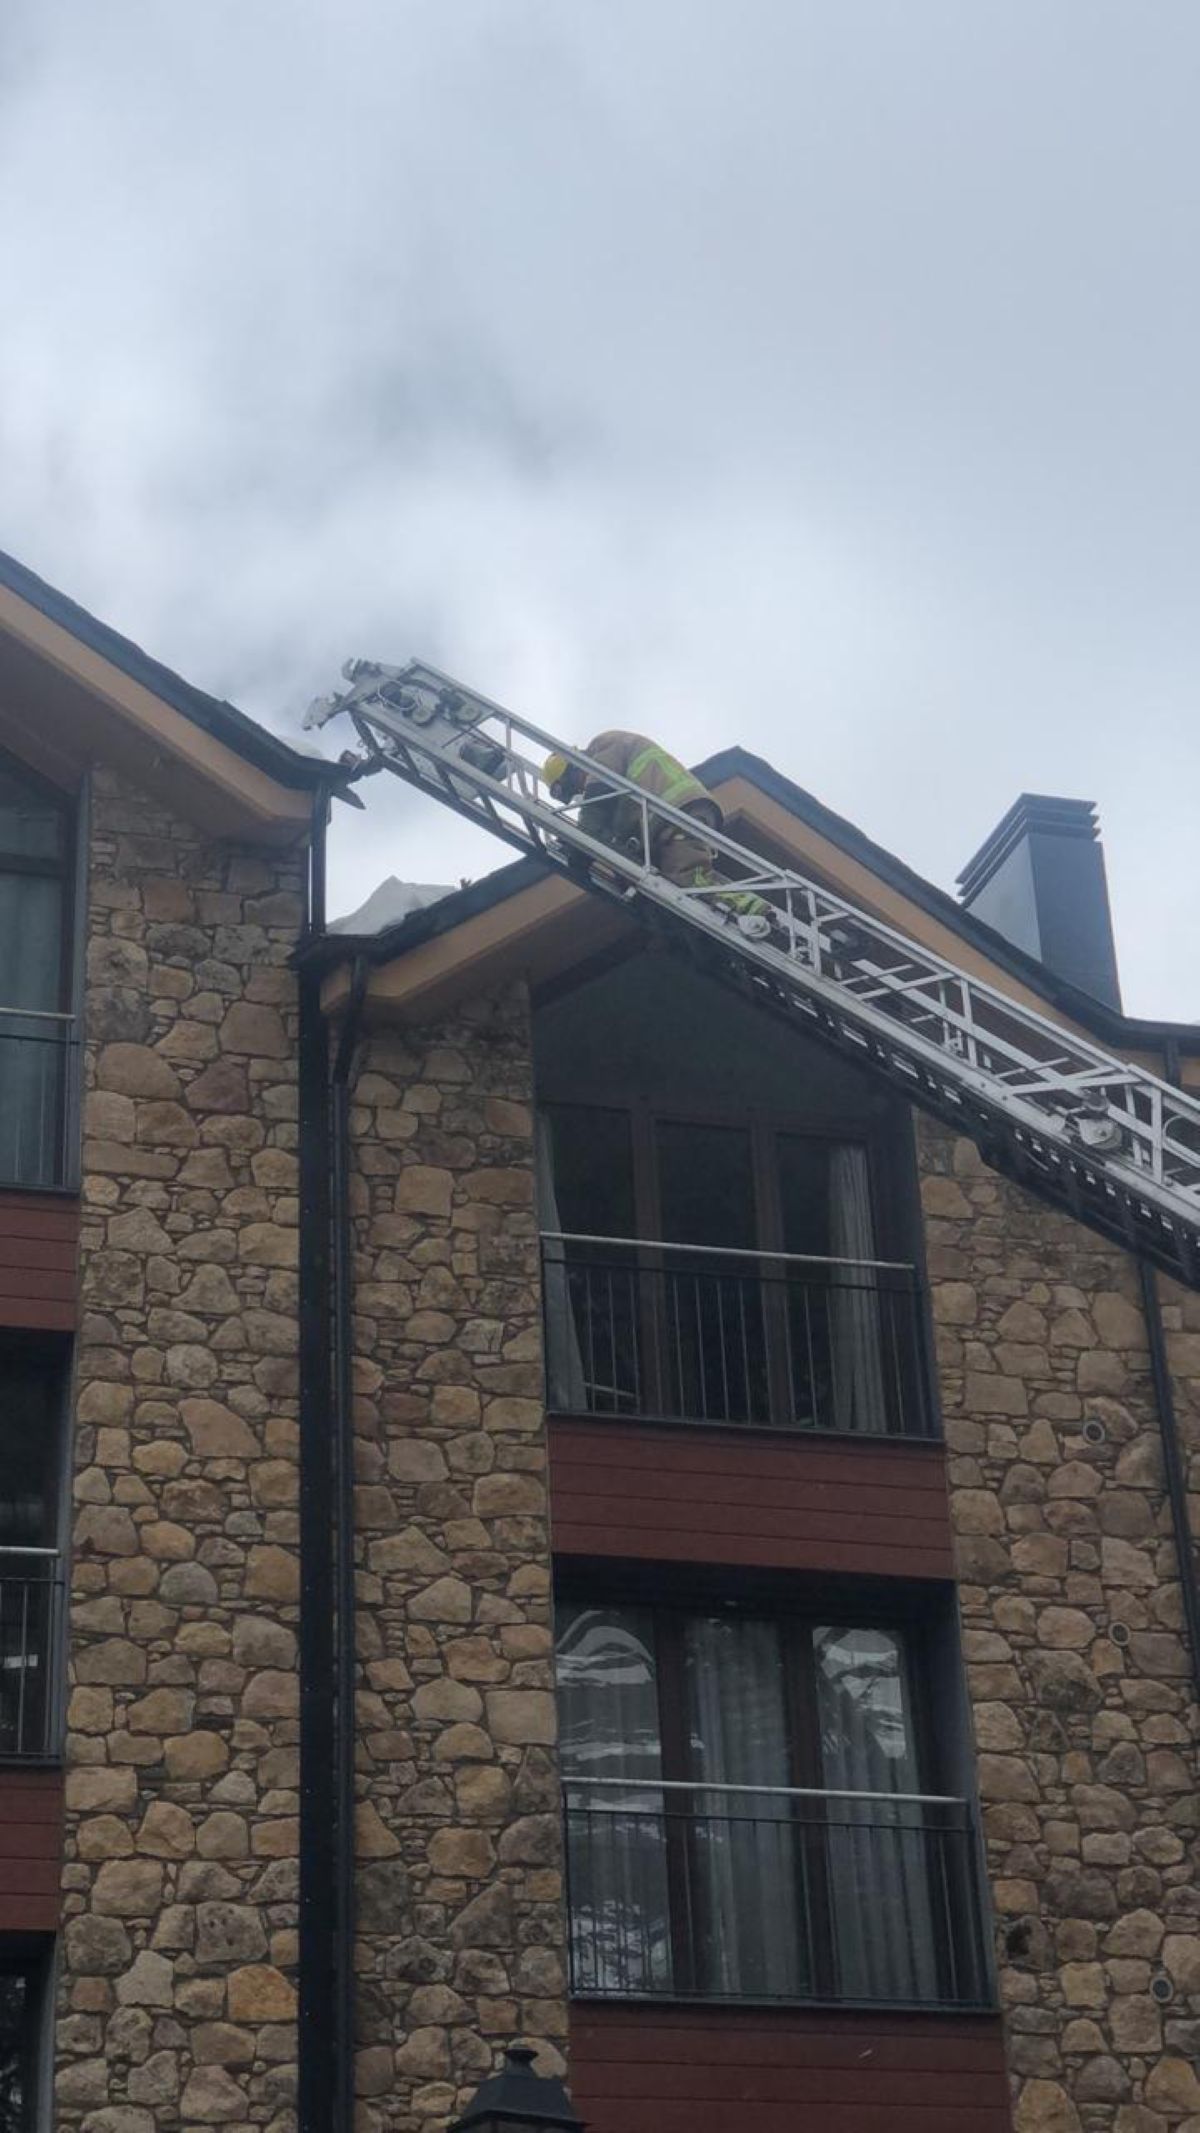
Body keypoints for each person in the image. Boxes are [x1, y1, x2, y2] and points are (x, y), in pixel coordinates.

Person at [542, 731, 771, 926]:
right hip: (669, 817)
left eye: (573, 787)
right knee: (676, 883)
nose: (580, 793)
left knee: (689, 879)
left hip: (675, 813)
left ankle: (750, 907)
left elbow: (596, 802)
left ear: (572, 768)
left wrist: (579, 846)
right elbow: (617, 837)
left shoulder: (604, 747)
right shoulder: (617, 783)